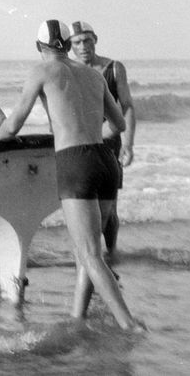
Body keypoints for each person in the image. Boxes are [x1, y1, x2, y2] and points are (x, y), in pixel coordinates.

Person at [0, 20, 143, 332]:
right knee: (90, 250)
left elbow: (12, 126)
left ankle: (130, 325)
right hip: (105, 160)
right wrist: (88, 134)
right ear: (68, 43)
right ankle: (78, 316)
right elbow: (119, 125)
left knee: (88, 253)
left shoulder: (40, 71)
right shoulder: (93, 74)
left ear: (39, 47)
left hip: (76, 162)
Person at [69, 21, 136, 259]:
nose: (83, 45)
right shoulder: (67, 70)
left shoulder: (113, 68)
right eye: (77, 42)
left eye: (87, 40)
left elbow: (127, 106)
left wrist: (128, 144)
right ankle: (88, 256)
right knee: (80, 206)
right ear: (70, 45)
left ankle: (111, 252)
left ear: (95, 40)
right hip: (78, 145)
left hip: (109, 143)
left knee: (109, 209)